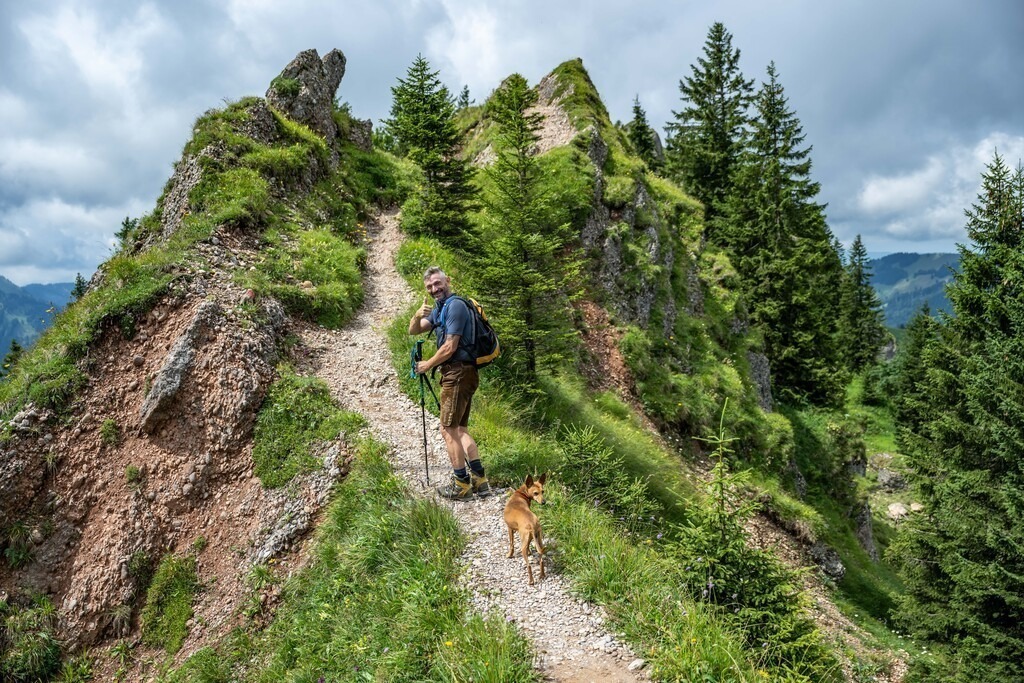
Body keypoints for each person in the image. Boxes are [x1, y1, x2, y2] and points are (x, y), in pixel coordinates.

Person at [408, 266, 490, 499]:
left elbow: (450, 346)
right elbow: (413, 331)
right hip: (463, 373)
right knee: (460, 429)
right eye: (430, 287)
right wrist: (416, 315)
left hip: (457, 372)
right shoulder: (440, 308)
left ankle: (461, 484)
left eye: (437, 283)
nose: (434, 289)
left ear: (448, 281)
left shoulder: (454, 306)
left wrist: (427, 364)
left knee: (448, 430)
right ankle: (480, 480)